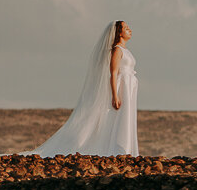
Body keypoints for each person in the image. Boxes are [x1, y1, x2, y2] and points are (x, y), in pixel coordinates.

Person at [29, 20, 138, 156]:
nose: (130, 30)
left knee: (126, 116)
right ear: (119, 33)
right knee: (119, 116)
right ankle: (118, 150)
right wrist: (115, 95)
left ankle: (124, 148)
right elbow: (114, 72)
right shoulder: (117, 50)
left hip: (129, 86)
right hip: (122, 86)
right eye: (126, 28)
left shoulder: (126, 51)